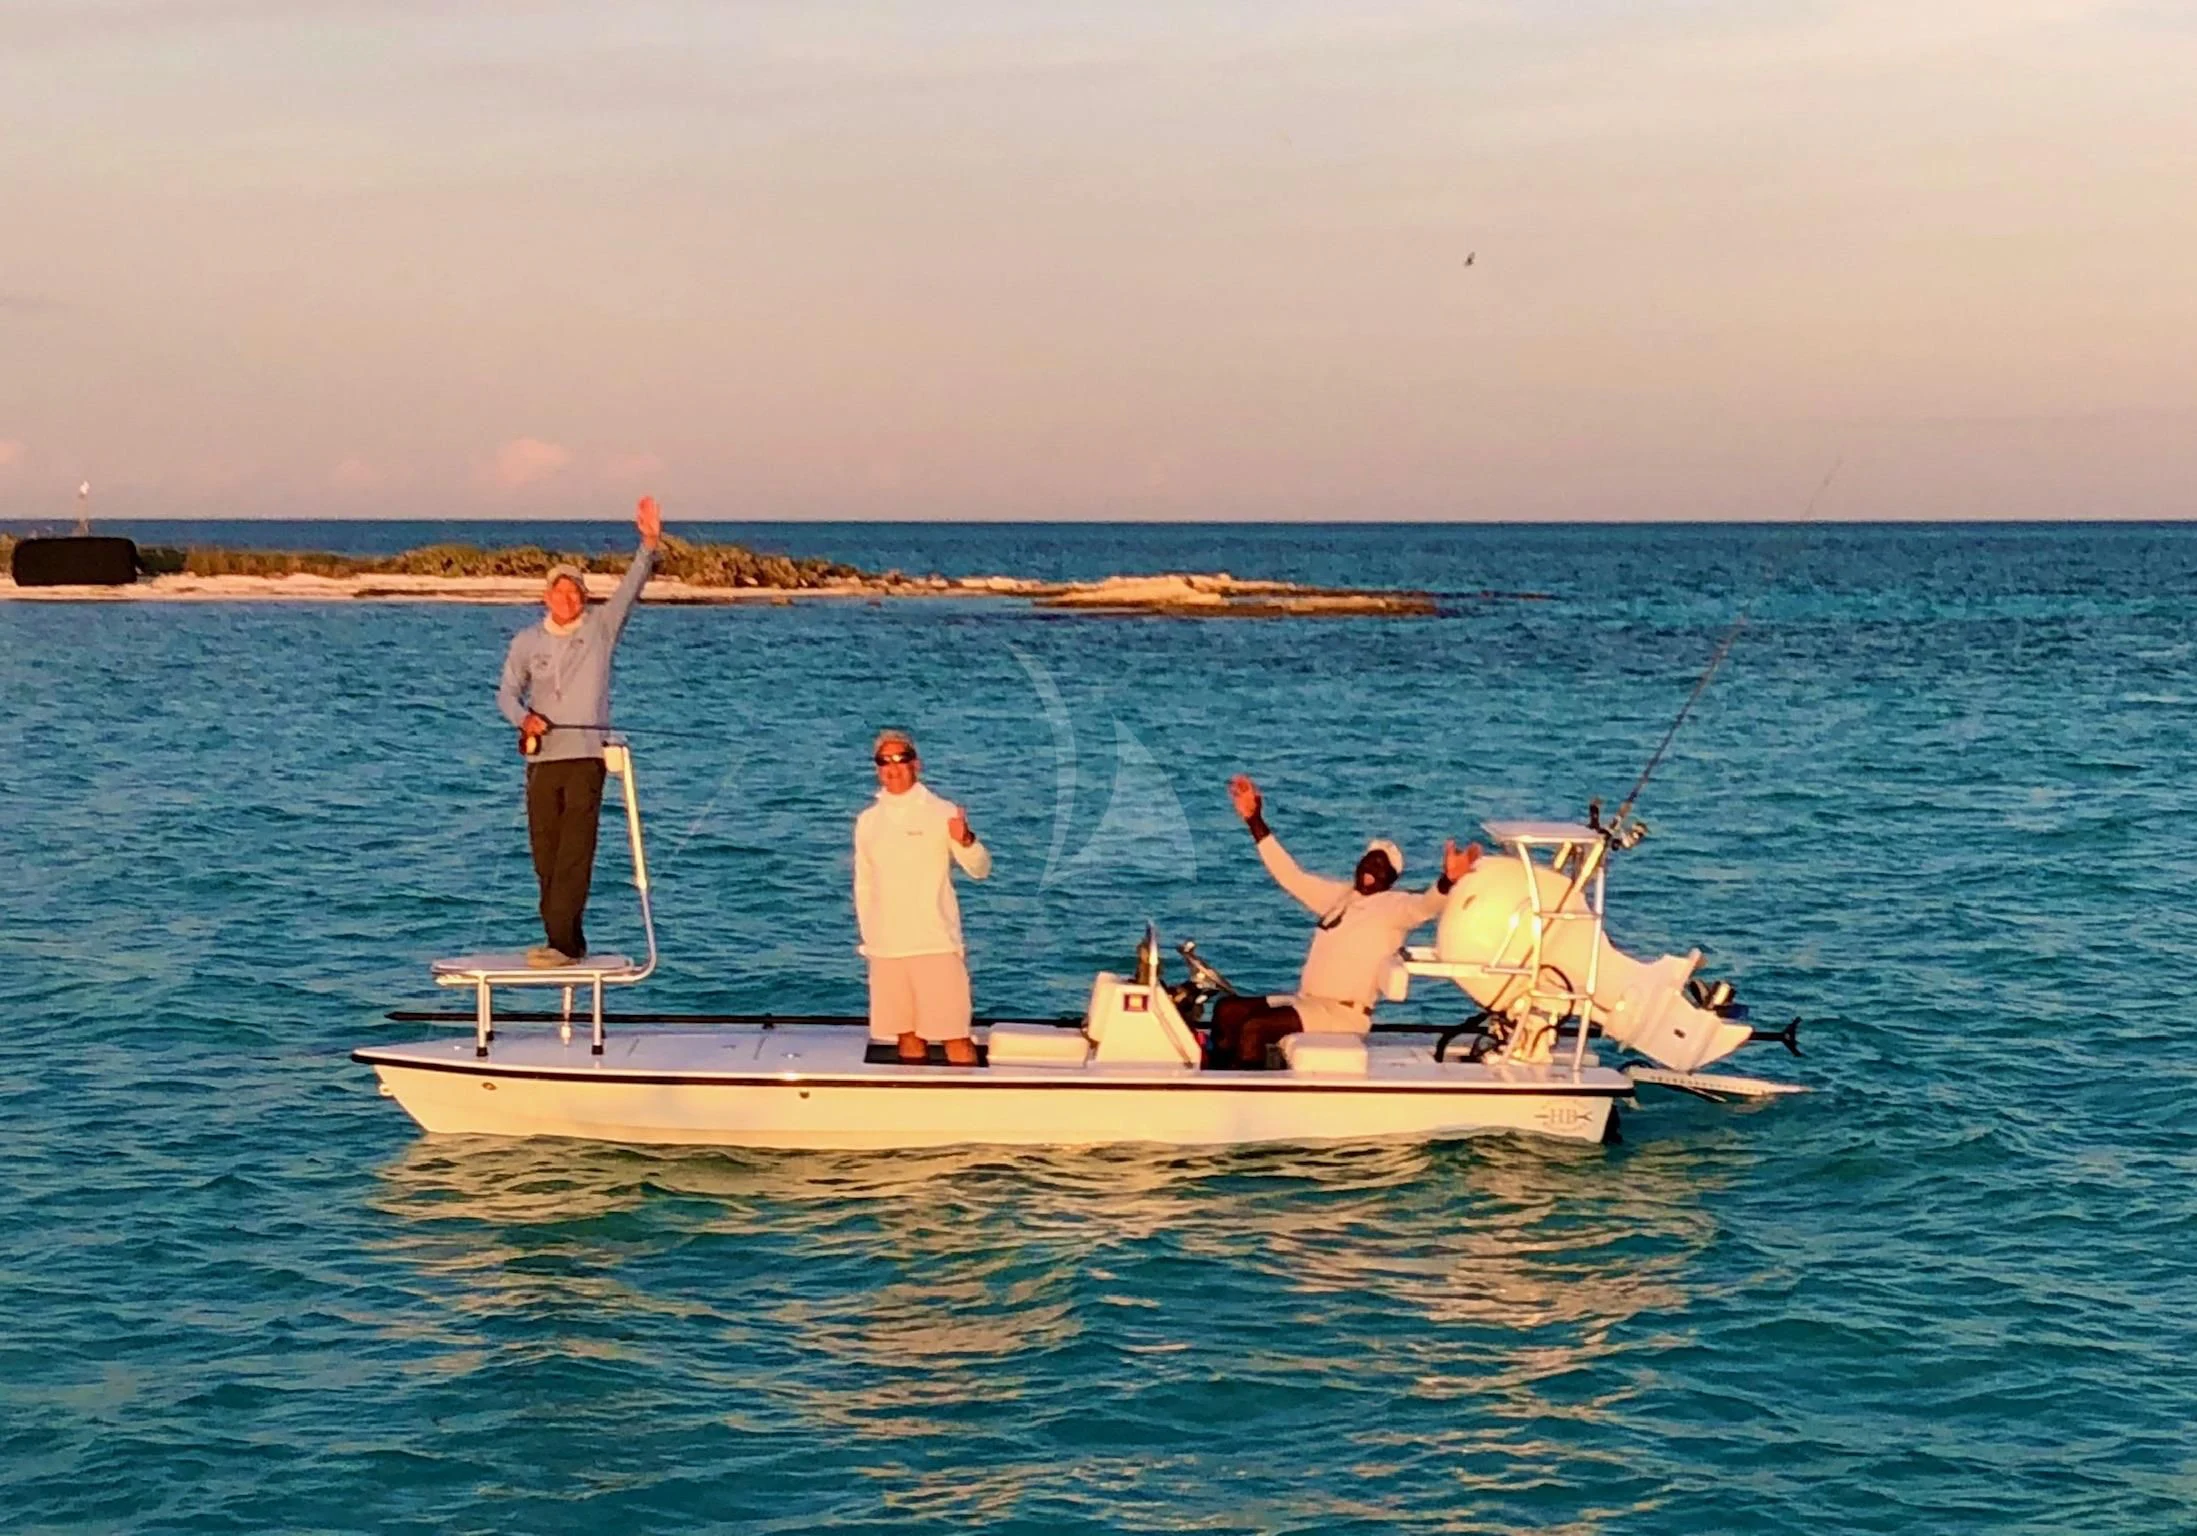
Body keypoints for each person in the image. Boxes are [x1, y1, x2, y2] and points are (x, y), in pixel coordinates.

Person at [1209, 773, 1479, 1069]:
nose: (1371, 867)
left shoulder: (1394, 907)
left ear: (1390, 880)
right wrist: (1254, 821)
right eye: (1368, 860)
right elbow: (1290, 876)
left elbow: (1428, 906)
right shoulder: (1341, 898)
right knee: (1227, 1010)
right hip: (1309, 1003)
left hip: (1343, 1015)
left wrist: (1447, 881)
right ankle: (1218, 1081)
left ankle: (1247, 1103)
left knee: (1255, 1028)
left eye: (1381, 867)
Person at [495, 495, 663, 966]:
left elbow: (631, 587)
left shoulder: (601, 628)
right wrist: (523, 719)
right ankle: (563, 937)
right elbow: (506, 695)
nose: (567, 599)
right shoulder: (527, 641)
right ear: (546, 596)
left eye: (575, 592)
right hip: (542, 757)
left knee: (574, 852)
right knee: (545, 855)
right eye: (558, 591)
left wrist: (649, 543)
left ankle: (564, 945)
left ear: (583, 597)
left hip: (586, 755)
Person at [853, 728, 993, 1065]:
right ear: (876, 768)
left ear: (917, 765)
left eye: (901, 759)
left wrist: (966, 840)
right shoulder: (868, 821)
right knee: (907, 1036)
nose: (893, 767)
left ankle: (969, 1110)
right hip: (887, 948)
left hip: (935, 944)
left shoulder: (941, 811)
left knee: (955, 1037)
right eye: (884, 761)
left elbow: (980, 869)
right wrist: (870, 939)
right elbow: (864, 884)